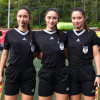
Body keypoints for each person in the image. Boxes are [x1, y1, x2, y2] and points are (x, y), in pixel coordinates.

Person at [0, 6, 36, 100]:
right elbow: (4, 54)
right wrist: (0, 74)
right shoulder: (10, 34)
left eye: (25, 16)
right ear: (16, 17)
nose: (22, 19)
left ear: (29, 18)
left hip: (29, 74)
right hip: (12, 73)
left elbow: (36, 53)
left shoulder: (34, 35)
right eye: (20, 16)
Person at [33, 8, 70, 100]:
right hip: (46, 74)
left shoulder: (64, 35)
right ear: (45, 18)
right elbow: (36, 54)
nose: (51, 20)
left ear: (58, 19)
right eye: (49, 17)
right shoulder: (38, 35)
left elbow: (66, 55)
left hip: (62, 74)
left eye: (54, 18)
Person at [66, 7, 100, 100]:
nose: (76, 21)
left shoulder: (91, 34)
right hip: (72, 73)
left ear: (84, 18)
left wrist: (98, 75)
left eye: (79, 18)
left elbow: (96, 55)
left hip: (87, 73)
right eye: (74, 18)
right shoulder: (67, 35)